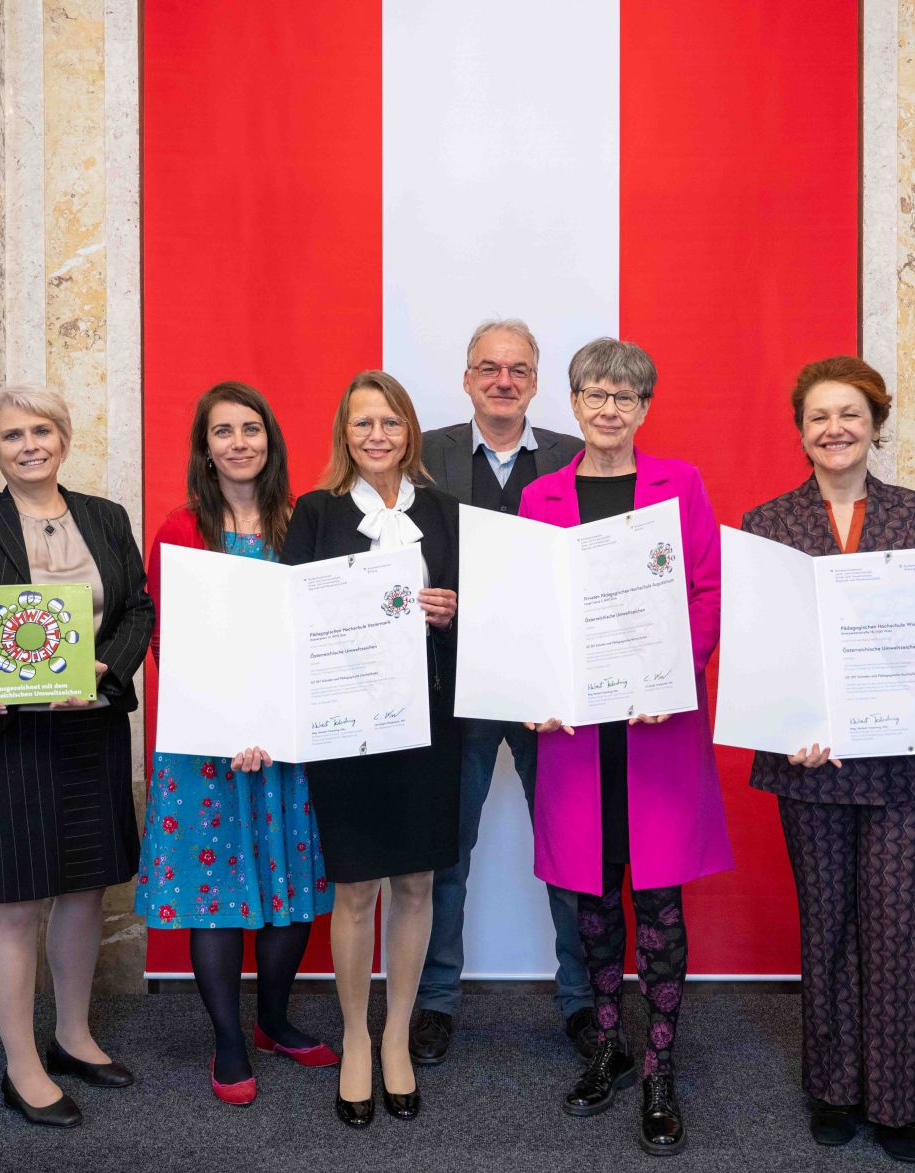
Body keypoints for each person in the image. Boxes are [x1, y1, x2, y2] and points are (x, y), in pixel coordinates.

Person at [743, 356, 915, 1164]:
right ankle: (834, 1089)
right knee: (826, 927)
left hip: (900, 766)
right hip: (808, 762)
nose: (834, 429)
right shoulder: (767, 524)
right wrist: (784, 719)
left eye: (850, 414)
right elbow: (762, 648)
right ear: (800, 430)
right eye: (818, 416)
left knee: (893, 930)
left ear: (875, 423)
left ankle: (895, 1100)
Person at [0, 385, 154, 1128]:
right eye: (12, 433)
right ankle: (22, 1064)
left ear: (63, 436)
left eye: (42, 429)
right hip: (9, 735)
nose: (29, 443)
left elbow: (138, 608)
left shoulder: (107, 518)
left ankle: (73, 1035)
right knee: (18, 902)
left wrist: (106, 671)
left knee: (86, 889)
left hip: (91, 729)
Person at [519, 337, 733, 1157]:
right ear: (573, 404)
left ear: (646, 408)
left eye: (625, 396)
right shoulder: (540, 496)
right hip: (577, 738)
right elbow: (528, 608)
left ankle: (660, 1066)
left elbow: (707, 589)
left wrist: (674, 672)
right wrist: (534, 685)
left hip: (657, 729)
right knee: (596, 906)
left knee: (663, 909)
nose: (609, 409)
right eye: (594, 394)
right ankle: (607, 1044)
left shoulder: (682, 485)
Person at [135, 381, 335, 1105]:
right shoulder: (180, 527)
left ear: (271, 440)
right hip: (206, 749)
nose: (240, 442)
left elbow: (322, 630)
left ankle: (275, 1020)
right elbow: (168, 640)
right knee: (215, 894)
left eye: (252, 427)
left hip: (287, 741)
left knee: (291, 891)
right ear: (205, 447)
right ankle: (227, 1037)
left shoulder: (305, 521)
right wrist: (226, 726)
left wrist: (273, 723)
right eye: (224, 431)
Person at [280, 370, 461, 1129]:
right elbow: (291, 618)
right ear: (344, 434)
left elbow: (481, 612)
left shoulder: (447, 511)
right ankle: (355, 1035)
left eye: (390, 421)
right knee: (356, 888)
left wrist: (454, 610)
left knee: (417, 880)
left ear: (409, 430)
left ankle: (397, 1037)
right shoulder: (316, 513)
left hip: (429, 720)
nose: (377, 435)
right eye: (363, 424)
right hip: (348, 727)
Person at [413, 318, 593, 1065]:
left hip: (548, 690)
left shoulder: (576, 455)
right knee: (445, 850)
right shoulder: (424, 454)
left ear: (535, 379)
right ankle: (435, 1001)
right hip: (454, 681)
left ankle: (584, 999)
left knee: (568, 846)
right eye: (488, 367)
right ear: (466, 378)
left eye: (517, 369)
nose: (502, 379)